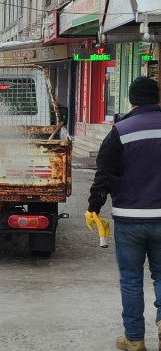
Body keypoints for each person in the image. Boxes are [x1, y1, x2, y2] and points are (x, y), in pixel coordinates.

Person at [87, 76, 161, 351]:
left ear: (131, 101)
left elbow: (104, 173)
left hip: (129, 218)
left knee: (131, 280)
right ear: (157, 98)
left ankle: (135, 339)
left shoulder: (121, 130)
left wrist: (94, 205)